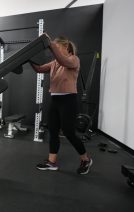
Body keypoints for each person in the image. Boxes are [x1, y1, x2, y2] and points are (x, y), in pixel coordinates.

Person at [31, 33, 93, 175]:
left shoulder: (73, 59)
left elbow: (63, 61)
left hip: (68, 100)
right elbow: (39, 69)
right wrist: (28, 58)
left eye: (57, 47)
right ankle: (52, 162)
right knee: (53, 131)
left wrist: (51, 44)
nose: (54, 51)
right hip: (55, 100)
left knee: (69, 132)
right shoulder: (54, 63)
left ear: (66, 46)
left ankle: (86, 159)